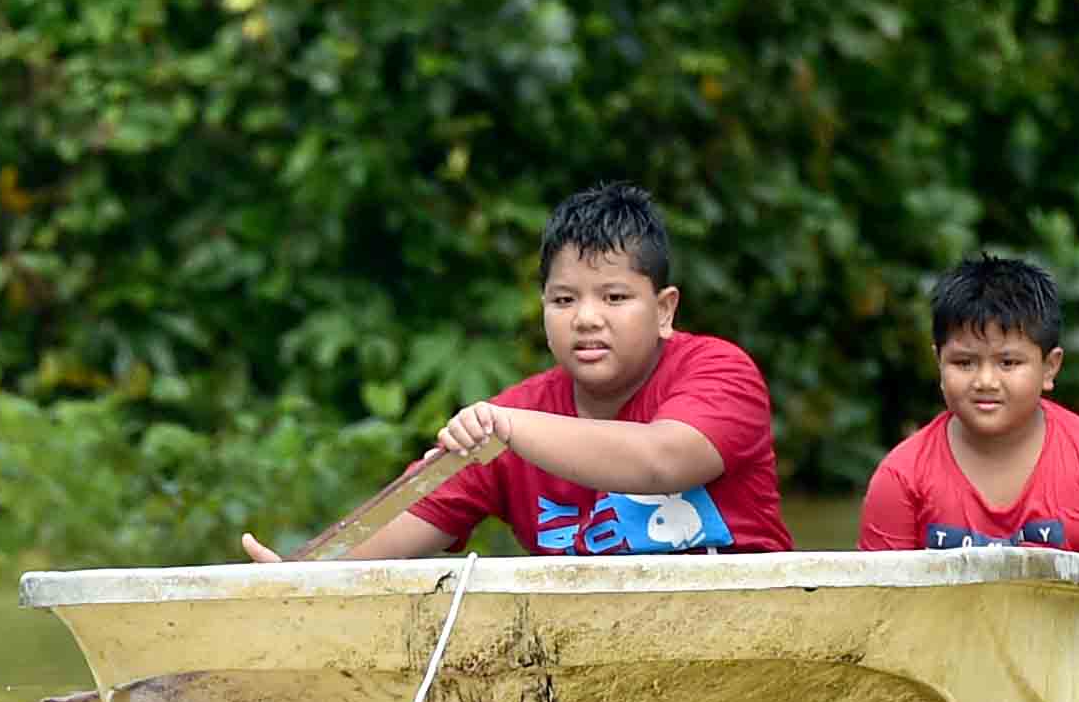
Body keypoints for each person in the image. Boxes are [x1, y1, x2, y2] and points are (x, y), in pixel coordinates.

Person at [243, 181, 789, 561]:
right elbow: (385, 536)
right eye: (564, 299)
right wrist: (300, 575)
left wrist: (509, 429)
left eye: (615, 296)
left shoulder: (719, 372)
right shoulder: (515, 416)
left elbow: (660, 461)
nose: (587, 319)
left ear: (665, 309)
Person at [854, 252, 1079, 568]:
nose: (985, 381)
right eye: (964, 362)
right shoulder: (901, 477)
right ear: (938, 362)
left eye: (1008, 362)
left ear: (1049, 368)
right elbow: (877, 599)